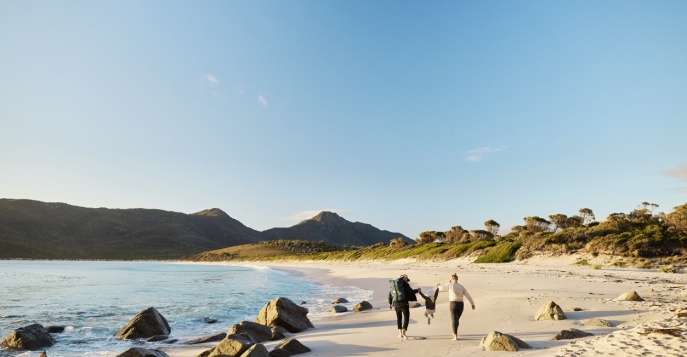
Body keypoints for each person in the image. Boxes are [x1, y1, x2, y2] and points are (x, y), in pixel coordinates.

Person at [440, 273, 475, 340]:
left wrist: (438, 286)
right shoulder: (461, 286)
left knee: (454, 319)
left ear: (452, 279)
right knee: (457, 319)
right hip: (461, 304)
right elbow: (468, 295)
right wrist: (472, 304)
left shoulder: (450, 284)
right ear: (457, 279)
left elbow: (441, 288)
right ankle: (454, 332)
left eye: (450, 279)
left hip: (453, 303)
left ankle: (455, 335)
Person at [388, 273, 419, 340]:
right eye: (406, 279)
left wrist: (390, 303)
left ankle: (400, 333)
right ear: (405, 278)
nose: (407, 280)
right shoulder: (405, 284)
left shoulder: (395, 285)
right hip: (404, 304)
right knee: (406, 318)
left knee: (399, 318)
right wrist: (418, 290)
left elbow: (390, 294)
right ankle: (404, 332)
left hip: (396, 304)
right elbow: (411, 292)